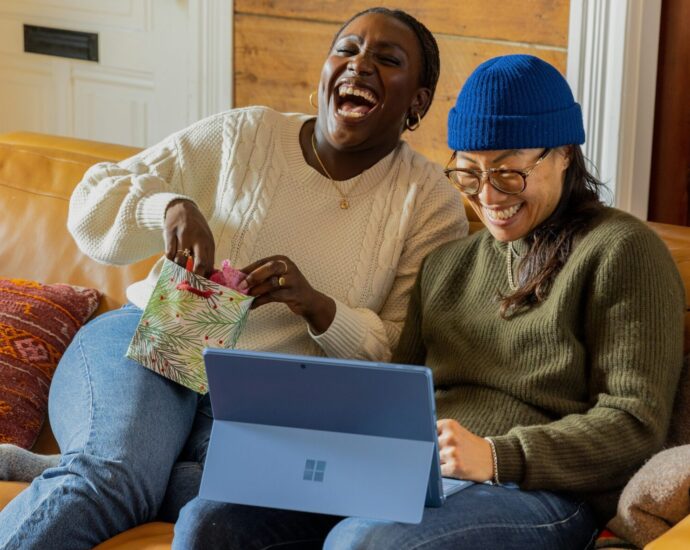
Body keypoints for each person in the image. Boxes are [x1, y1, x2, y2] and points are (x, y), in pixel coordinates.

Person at [0, 8, 466, 549]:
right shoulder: (247, 134)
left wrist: (320, 308)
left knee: (233, 494)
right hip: (160, 336)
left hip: (268, 402)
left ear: (418, 101)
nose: (359, 66)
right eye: (347, 50)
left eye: (387, 60)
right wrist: (169, 208)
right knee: (112, 481)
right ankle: (106, 466)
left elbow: (402, 355)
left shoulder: (430, 202)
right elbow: (91, 200)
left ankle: (76, 464)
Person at [323, 55, 686, 549]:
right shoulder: (444, 266)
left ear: (562, 153)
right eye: (469, 174)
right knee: (216, 515)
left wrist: (497, 456)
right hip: (421, 476)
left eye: (509, 172)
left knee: (367, 542)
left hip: (544, 491)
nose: (488, 196)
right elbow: (400, 397)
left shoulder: (621, 251)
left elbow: (634, 425)